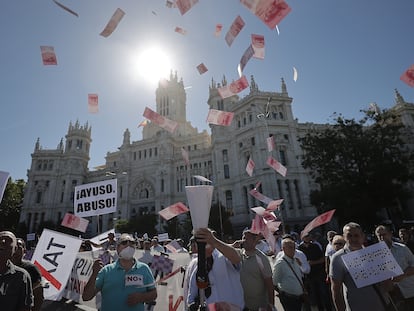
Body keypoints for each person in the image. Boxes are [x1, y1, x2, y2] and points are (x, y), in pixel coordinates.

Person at [82, 233, 157, 311]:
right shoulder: (106, 270)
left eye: (132, 243)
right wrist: (94, 274)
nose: (128, 245)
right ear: (117, 248)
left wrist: (141, 297)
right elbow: (86, 297)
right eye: (124, 242)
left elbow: (154, 294)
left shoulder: (144, 269)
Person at [330, 222, 391, 311]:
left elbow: (388, 285)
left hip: (381, 305)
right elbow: (335, 289)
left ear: (362, 236)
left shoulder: (373, 253)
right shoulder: (338, 258)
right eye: (349, 236)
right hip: (356, 307)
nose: (353, 239)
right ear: (344, 237)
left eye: (356, 235)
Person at [187, 228, 244, 310]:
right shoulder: (196, 263)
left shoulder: (224, 256)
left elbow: (236, 259)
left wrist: (214, 241)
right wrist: (191, 305)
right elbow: (192, 291)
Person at [375, 225, 414, 311]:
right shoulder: (375, 255)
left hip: (410, 291)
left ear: (390, 234)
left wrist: (402, 275)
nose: (382, 238)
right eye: (379, 236)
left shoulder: (402, 248)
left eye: (384, 234)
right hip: (392, 296)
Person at [238, 229, 275, 311]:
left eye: (247, 238)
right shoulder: (239, 255)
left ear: (255, 241)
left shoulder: (261, 259)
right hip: (242, 305)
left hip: (258, 306)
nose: (244, 240)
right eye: (243, 237)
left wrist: (271, 305)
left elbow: (269, 283)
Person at [0, 231, 33, 311]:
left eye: (8, 240)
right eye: (0, 239)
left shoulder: (22, 276)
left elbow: (25, 308)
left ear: (15, 249)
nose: (2, 242)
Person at [298, 233, 332, 311]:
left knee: (324, 293)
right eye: (305, 236)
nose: (307, 237)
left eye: (308, 236)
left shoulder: (315, 246)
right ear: (302, 238)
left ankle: (329, 308)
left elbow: (323, 259)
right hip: (309, 275)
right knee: (314, 294)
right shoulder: (299, 249)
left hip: (319, 273)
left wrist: (313, 262)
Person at [273, 237, 304, 311]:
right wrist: (283, 293)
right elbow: (274, 282)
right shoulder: (280, 263)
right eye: (290, 247)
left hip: (298, 298)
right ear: (283, 249)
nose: (293, 250)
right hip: (288, 299)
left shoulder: (295, 260)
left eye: (293, 247)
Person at [12, 238, 44, 311]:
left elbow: (38, 295)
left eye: (19, 247)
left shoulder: (31, 269)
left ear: (25, 251)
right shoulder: (3, 266)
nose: (15, 250)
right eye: (14, 247)